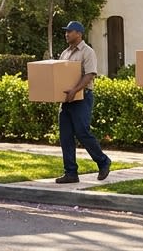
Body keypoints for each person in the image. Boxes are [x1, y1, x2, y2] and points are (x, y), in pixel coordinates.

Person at [54, 20, 112, 184]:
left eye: (70, 31)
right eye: (66, 31)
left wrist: (75, 90)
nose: (66, 34)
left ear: (79, 34)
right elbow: (60, 76)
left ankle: (103, 161)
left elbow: (90, 74)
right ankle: (71, 173)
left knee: (82, 132)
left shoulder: (87, 52)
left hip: (82, 97)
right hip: (67, 100)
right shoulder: (65, 53)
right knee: (65, 136)